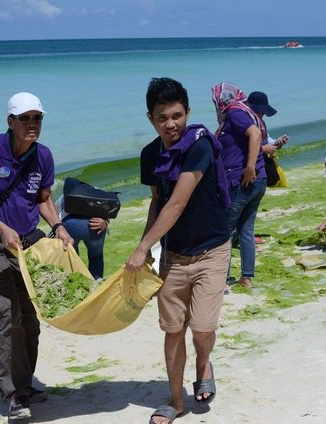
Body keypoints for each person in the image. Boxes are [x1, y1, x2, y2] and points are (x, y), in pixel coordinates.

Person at [126, 77, 231, 424]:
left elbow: (177, 203)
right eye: (162, 117)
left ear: (187, 112)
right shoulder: (149, 155)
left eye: (176, 115)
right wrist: (149, 249)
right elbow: (157, 203)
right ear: (150, 118)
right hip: (174, 254)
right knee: (173, 330)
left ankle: (204, 365)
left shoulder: (199, 146)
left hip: (211, 250)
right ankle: (175, 402)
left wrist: (142, 248)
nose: (170, 124)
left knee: (201, 327)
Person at [0, 92, 73, 419]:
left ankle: (25, 386)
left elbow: (43, 199)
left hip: (29, 245)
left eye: (37, 118)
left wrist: (58, 226)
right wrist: (1, 227)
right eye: (25, 118)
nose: (32, 124)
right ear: (10, 121)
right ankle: (13, 396)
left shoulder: (44, 156)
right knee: (9, 317)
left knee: (30, 318)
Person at [211, 83, 267, 289]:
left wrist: (249, 167)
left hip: (243, 181)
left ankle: (223, 280)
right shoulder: (243, 113)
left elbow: (255, 134)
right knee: (245, 229)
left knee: (224, 230)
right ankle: (246, 277)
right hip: (257, 181)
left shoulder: (234, 112)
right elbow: (254, 139)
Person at [54, 195, 109, 280]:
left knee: (73, 256)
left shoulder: (62, 196)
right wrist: (105, 221)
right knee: (96, 257)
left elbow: (54, 214)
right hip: (94, 224)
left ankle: (77, 283)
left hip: (69, 224)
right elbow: (109, 208)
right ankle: (97, 284)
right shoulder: (96, 191)